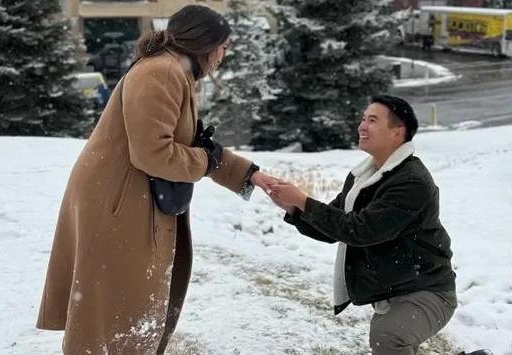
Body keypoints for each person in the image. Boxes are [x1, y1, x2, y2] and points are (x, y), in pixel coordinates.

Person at [36, 5, 276, 354]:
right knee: (114, 313)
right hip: (118, 203)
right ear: (205, 44)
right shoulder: (162, 72)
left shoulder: (174, 71)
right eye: (224, 45)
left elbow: (193, 143)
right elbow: (154, 153)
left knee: (119, 307)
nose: (226, 54)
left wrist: (250, 175)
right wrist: (204, 162)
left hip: (128, 198)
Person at [267, 95, 457, 355]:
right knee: (388, 338)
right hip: (397, 287)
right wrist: (295, 208)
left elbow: (359, 230)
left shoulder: (411, 182)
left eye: (372, 120)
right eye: (362, 119)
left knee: (388, 336)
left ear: (397, 132)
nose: (362, 126)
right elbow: (333, 228)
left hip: (429, 291)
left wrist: (303, 201)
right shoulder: (363, 176)